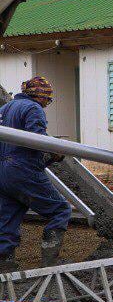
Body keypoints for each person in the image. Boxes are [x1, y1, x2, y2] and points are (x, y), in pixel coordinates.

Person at [0, 76, 72, 272]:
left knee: (9, 215)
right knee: (60, 210)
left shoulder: (4, 110)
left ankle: (5, 263)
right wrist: (54, 151)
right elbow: (35, 139)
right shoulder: (33, 108)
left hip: (3, 172)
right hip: (23, 169)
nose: (47, 104)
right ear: (40, 96)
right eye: (48, 100)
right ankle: (49, 262)